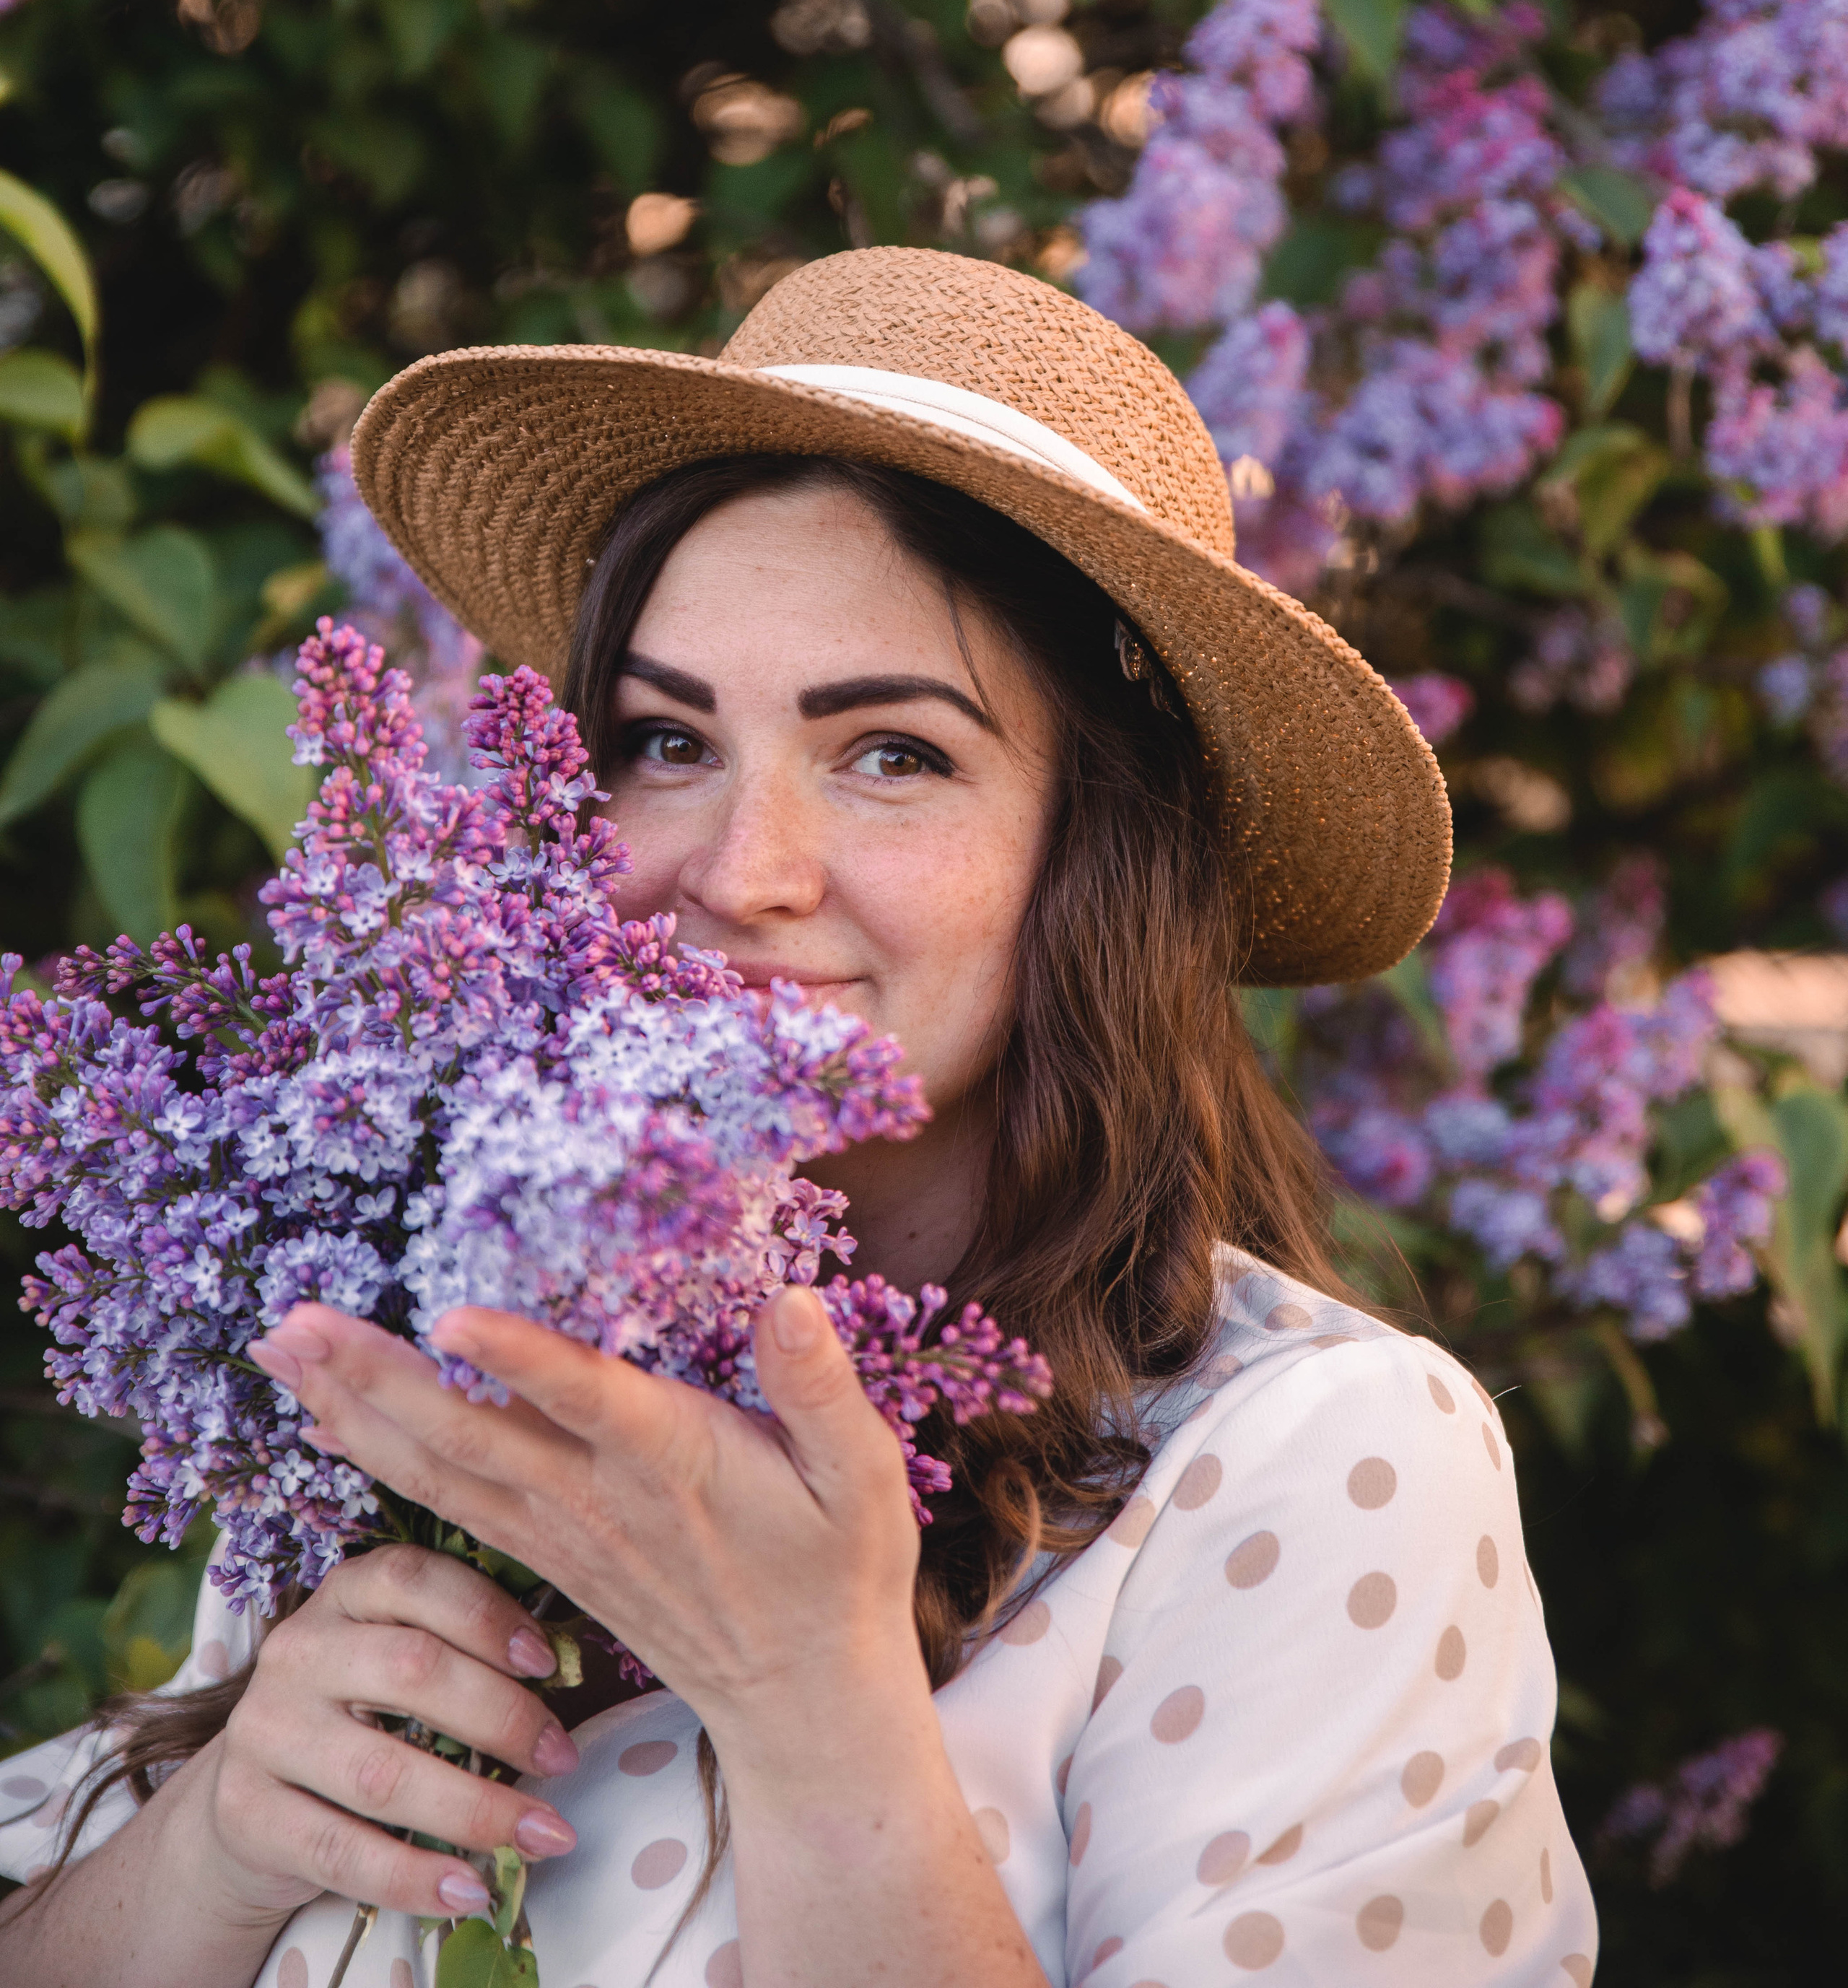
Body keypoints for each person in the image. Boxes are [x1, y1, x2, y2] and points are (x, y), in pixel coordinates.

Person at [0, 248, 1597, 1987]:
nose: (739, 877)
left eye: (891, 753)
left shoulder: (1310, 1466)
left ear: (1100, 852)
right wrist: (222, 1835)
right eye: (665, 742)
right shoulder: (435, 1309)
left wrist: (810, 1713)